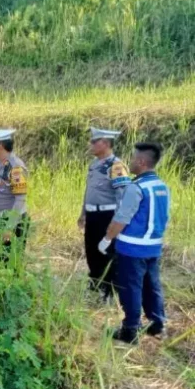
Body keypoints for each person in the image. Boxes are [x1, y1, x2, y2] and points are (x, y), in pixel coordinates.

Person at [98, 143, 169, 344]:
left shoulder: (135, 187)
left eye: (133, 158)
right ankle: (157, 324)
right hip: (153, 247)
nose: (130, 162)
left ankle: (130, 330)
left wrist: (107, 239)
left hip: (132, 248)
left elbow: (121, 218)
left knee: (131, 288)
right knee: (152, 285)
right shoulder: (161, 186)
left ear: (141, 162)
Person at [78, 127, 131, 301]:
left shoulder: (116, 166)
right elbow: (89, 191)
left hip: (107, 216)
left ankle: (109, 291)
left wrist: (116, 221)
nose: (91, 144)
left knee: (107, 253)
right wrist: (83, 213)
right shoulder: (94, 165)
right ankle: (95, 286)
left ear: (106, 143)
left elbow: (122, 196)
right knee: (91, 251)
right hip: (93, 215)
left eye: (95, 141)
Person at [0, 126, 29, 265]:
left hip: (10, 222)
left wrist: (9, 227)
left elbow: (20, 198)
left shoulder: (15, 168)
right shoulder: (0, 163)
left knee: (8, 263)